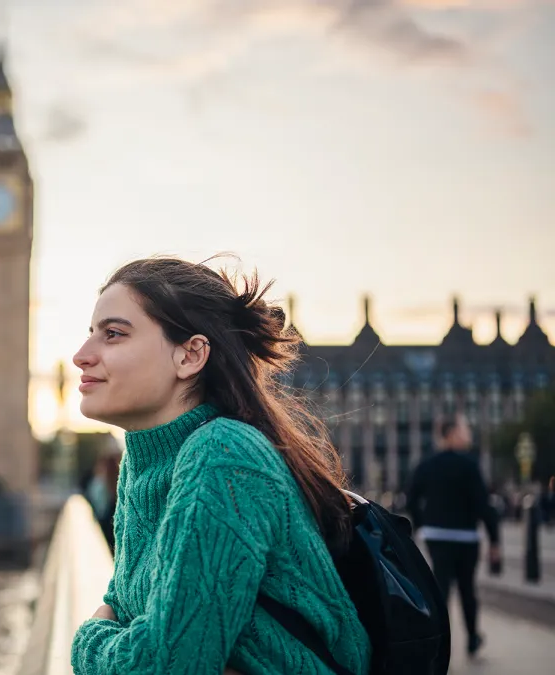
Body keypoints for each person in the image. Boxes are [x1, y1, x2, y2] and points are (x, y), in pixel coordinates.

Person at [70, 256, 370, 675]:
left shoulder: (224, 455)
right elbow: (124, 610)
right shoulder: (143, 464)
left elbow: (165, 665)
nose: (81, 356)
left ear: (190, 355)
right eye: (90, 335)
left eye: (113, 334)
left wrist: (85, 642)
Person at [406, 413, 501, 657]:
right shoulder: (469, 465)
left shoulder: (427, 464)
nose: (468, 434)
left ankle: (437, 641)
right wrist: (494, 539)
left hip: (437, 536)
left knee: (441, 589)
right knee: (468, 589)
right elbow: (483, 504)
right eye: (465, 429)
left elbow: (411, 497)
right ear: (452, 433)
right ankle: (472, 638)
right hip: (466, 537)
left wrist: (422, 525)